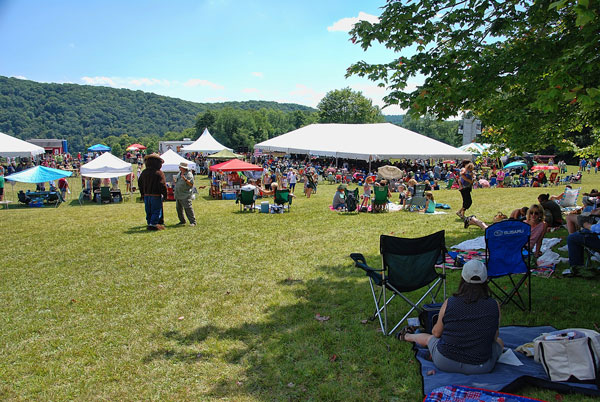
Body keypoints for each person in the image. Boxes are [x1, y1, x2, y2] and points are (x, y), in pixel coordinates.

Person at [400, 260, 503, 375]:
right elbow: (494, 337)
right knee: (499, 342)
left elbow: (436, 333)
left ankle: (407, 336)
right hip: (481, 366)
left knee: (430, 339)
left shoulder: (450, 303)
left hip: (445, 361)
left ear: (462, 278)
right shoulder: (494, 305)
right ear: (485, 279)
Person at [465, 204, 547, 257]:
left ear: (540, 214)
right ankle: (473, 219)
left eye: (536, 213)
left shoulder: (543, 225)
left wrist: (536, 253)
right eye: (531, 213)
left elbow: (539, 240)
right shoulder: (524, 223)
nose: (533, 215)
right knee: (489, 230)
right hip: (514, 243)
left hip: (521, 248)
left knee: (489, 229)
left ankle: (472, 220)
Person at [138, 154, 167, 231]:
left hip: (146, 195)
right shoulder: (159, 173)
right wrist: (165, 194)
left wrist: (142, 194)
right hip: (156, 195)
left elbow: (140, 184)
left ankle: (149, 223)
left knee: (148, 210)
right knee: (156, 210)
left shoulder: (144, 173)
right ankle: (153, 224)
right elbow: (162, 185)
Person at [174, 162, 196, 227]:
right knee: (179, 209)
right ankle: (182, 220)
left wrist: (185, 179)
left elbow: (191, 184)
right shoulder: (179, 173)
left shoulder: (189, 174)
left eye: (180, 167)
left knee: (188, 208)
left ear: (184, 168)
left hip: (185, 195)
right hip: (178, 194)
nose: (179, 168)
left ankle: (193, 222)